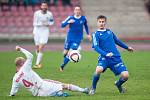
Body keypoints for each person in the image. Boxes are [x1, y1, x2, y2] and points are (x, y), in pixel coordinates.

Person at [9, 46, 89, 97]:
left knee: (47, 81)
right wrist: (20, 49)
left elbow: (12, 93)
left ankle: (56, 94)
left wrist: (11, 95)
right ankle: (83, 90)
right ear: (22, 63)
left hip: (38, 94)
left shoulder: (15, 79)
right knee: (64, 86)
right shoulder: (25, 67)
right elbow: (30, 56)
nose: (26, 62)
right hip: (43, 85)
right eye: (25, 61)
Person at [89, 15, 134, 95]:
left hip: (115, 58)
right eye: (100, 22)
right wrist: (106, 54)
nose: (101, 23)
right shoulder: (95, 34)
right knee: (98, 70)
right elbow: (96, 47)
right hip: (104, 58)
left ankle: (118, 84)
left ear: (105, 22)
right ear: (97, 23)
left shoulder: (110, 32)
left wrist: (127, 48)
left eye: (103, 22)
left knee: (126, 76)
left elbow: (117, 41)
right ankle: (93, 88)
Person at [59, 6, 92, 71]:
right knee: (65, 53)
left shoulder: (83, 18)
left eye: (78, 10)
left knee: (70, 52)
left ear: (80, 11)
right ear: (74, 11)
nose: (77, 11)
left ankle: (62, 66)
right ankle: (66, 58)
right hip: (69, 38)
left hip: (78, 39)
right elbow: (62, 25)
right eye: (76, 10)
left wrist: (88, 34)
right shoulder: (70, 18)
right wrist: (68, 22)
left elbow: (86, 26)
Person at [33, 1, 54, 68]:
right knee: (37, 48)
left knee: (41, 47)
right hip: (37, 31)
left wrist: (48, 24)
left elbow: (52, 22)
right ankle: (39, 61)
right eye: (43, 6)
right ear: (41, 7)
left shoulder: (50, 14)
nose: (44, 7)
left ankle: (37, 64)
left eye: (45, 6)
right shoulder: (37, 13)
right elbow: (34, 23)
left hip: (45, 31)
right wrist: (42, 24)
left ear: (47, 7)